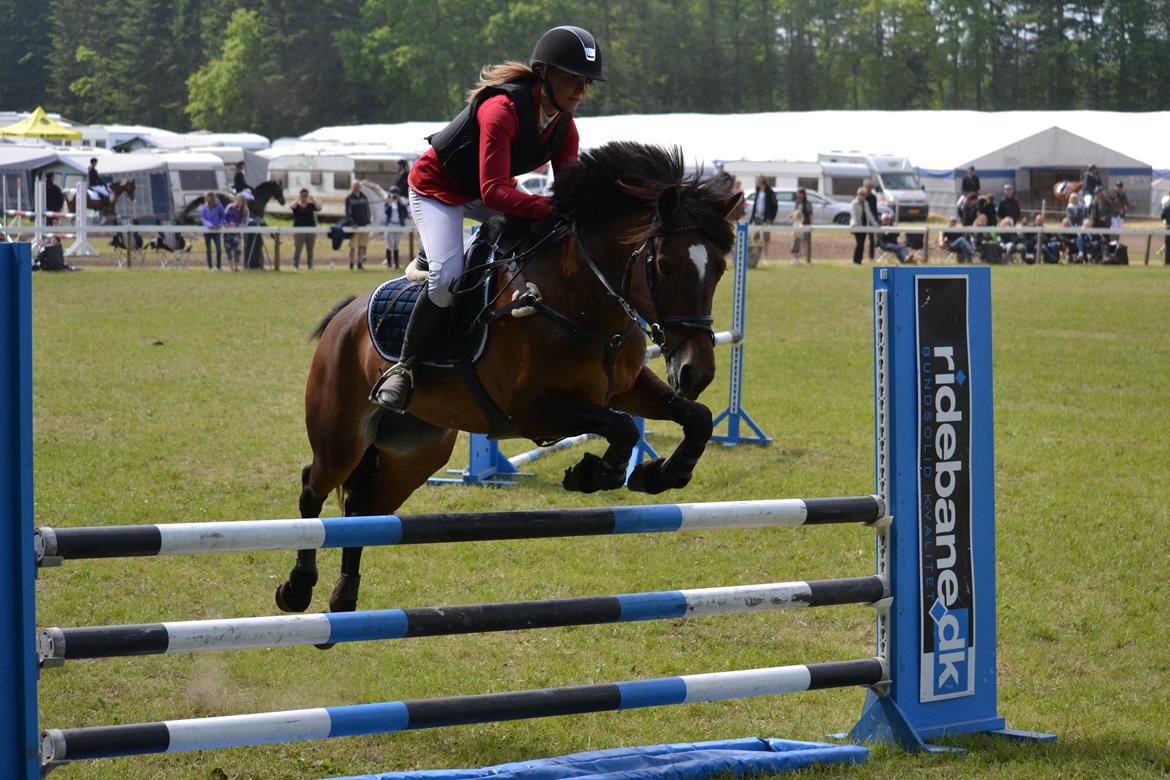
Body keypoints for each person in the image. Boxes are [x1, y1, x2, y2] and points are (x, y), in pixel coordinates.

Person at [370, 25, 603, 413]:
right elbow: (495, 192)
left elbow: (567, 196)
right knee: (446, 279)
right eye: (571, 79)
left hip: (487, 190)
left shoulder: (566, 128)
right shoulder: (503, 110)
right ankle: (403, 368)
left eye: (586, 83)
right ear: (543, 74)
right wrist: (547, 207)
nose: (580, 90)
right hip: (438, 190)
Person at [748, 175, 777, 262]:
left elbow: (775, 206)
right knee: (755, 238)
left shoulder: (770, 192)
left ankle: (766, 258)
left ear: (762, 181)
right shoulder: (757, 191)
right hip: (757, 218)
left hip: (766, 219)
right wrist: (752, 218)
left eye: (758, 180)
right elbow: (755, 206)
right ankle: (755, 258)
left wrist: (771, 218)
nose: (757, 182)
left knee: (766, 239)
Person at [290, 188, 320, 270]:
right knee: (298, 249)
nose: (304, 197)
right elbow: (292, 206)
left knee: (310, 249)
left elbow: (319, 208)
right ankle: (295, 266)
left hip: (310, 230)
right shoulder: (297, 206)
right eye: (303, 195)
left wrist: (313, 199)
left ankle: (310, 266)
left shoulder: (311, 205)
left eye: (306, 195)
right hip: (299, 230)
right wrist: (298, 199)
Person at [344, 180, 371, 270]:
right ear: (352, 187)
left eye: (358, 186)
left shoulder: (364, 197)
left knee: (362, 246)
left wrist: (368, 220)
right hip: (354, 226)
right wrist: (352, 222)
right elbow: (348, 213)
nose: (356, 188)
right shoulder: (349, 198)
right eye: (355, 186)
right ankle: (351, 264)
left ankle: (359, 264)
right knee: (353, 247)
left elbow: (367, 210)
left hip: (364, 225)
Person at [384, 186, 410, 269]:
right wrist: (390, 202)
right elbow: (386, 212)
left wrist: (401, 202)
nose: (394, 196)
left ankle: (396, 264)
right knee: (389, 244)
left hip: (398, 225)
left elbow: (405, 214)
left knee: (396, 245)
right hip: (390, 225)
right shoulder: (388, 203)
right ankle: (389, 264)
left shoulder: (400, 204)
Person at [199, 191, 225, 271]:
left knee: (218, 249)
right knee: (208, 249)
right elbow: (203, 218)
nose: (206, 199)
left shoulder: (219, 206)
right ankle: (210, 267)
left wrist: (219, 225)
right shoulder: (204, 207)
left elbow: (223, 217)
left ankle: (219, 266)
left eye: (207, 197)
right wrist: (210, 225)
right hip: (207, 230)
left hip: (217, 231)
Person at [223, 194, 249, 271]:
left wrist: (236, 225)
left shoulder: (245, 210)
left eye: (240, 201)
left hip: (237, 233)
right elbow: (224, 217)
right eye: (238, 200)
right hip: (227, 233)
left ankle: (236, 267)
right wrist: (226, 224)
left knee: (238, 250)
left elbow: (245, 223)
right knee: (228, 250)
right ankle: (231, 267)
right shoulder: (230, 207)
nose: (238, 202)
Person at [788, 187, 812, 264]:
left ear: (802, 194)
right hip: (798, 224)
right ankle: (798, 257)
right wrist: (790, 216)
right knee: (797, 240)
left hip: (805, 224)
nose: (797, 195)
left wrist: (810, 224)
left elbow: (810, 214)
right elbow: (795, 212)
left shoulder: (808, 203)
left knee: (805, 240)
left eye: (798, 193)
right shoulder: (797, 202)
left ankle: (805, 254)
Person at [850, 187, 869, 265]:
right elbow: (853, 215)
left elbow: (869, 215)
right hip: (856, 226)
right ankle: (855, 260)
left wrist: (875, 223)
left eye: (863, 194)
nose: (862, 196)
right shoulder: (854, 203)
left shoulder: (866, 203)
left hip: (864, 226)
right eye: (860, 194)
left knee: (862, 244)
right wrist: (854, 223)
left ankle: (859, 260)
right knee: (859, 243)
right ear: (857, 195)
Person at [863, 180, 880, 259]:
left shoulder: (874, 197)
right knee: (861, 240)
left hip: (871, 221)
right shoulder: (862, 197)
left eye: (870, 187)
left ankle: (871, 257)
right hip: (863, 220)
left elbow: (875, 209)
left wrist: (876, 220)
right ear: (865, 187)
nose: (869, 189)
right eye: (868, 187)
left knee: (872, 240)